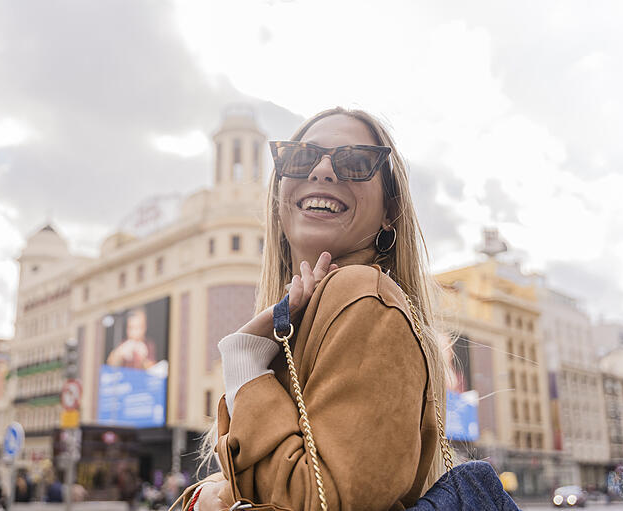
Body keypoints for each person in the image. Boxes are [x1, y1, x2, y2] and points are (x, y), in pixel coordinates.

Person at [179, 108, 450, 511]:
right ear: (279, 194)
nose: (323, 171)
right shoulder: (309, 319)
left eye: (355, 162)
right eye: (302, 157)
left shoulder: (362, 294)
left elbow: (325, 502)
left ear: (390, 211)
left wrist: (244, 356)